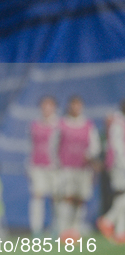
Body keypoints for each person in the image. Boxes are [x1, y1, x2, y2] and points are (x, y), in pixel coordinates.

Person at [53, 96, 100, 240]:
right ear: (69, 106)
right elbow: (53, 145)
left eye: (78, 105)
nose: (75, 107)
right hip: (66, 168)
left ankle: (75, 230)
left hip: (83, 169)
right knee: (66, 197)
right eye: (73, 105)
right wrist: (56, 163)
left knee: (80, 199)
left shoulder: (88, 125)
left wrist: (90, 156)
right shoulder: (61, 124)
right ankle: (63, 230)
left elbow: (95, 146)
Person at [28, 96, 59, 237]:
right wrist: (28, 165)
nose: (46, 108)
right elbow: (30, 146)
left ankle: (56, 228)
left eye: (49, 105)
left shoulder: (60, 124)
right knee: (37, 196)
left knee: (56, 198)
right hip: (37, 166)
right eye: (44, 105)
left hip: (55, 167)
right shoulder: (34, 125)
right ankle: (36, 230)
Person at [97, 99, 125, 243]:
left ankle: (120, 231)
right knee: (121, 194)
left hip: (120, 164)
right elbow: (116, 146)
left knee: (122, 196)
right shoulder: (117, 122)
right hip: (118, 165)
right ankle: (108, 220)